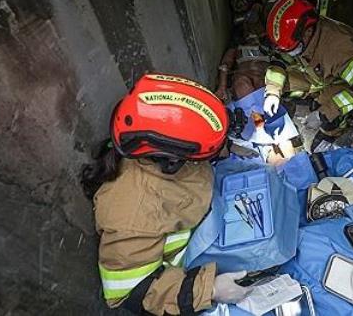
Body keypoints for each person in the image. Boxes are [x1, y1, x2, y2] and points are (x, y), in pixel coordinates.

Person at [81, 73, 251, 315]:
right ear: (171, 160)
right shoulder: (132, 213)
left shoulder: (153, 143)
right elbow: (130, 292)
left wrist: (226, 147)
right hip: (180, 281)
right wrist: (209, 289)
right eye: (199, 157)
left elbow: (191, 141)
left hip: (207, 226)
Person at [262, 0, 353, 146]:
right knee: (281, 85)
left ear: (307, 32)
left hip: (343, 82)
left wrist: (322, 115)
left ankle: (337, 131)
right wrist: (272, 92)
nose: (290, 53)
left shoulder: (337, 47)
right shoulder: (305, 38)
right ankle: (316, 101)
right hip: (318, 75)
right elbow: (279, 61)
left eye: (293, 49)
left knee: (327, 115)